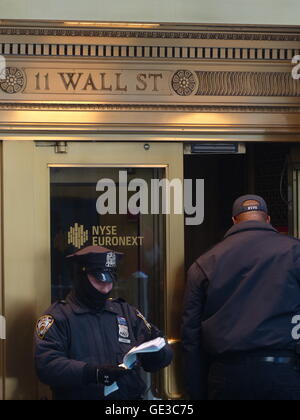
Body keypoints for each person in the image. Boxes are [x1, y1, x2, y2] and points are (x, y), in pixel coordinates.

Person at [182, 194, 300, 401]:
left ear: (234, 220)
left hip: (227, 375)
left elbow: (191, 335)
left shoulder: (205, 262)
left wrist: (196, 391)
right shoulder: (295, 251)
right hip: (285, 372)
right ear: (268, 219)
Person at [34, 246, 173, 400]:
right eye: (99, 280)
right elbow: (47, 365)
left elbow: (159, 348)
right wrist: (92, 373)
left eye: (110, 281)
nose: (106, 288)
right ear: (81, 277)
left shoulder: (125, 312)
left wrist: (160, 354)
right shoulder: (58, 317)